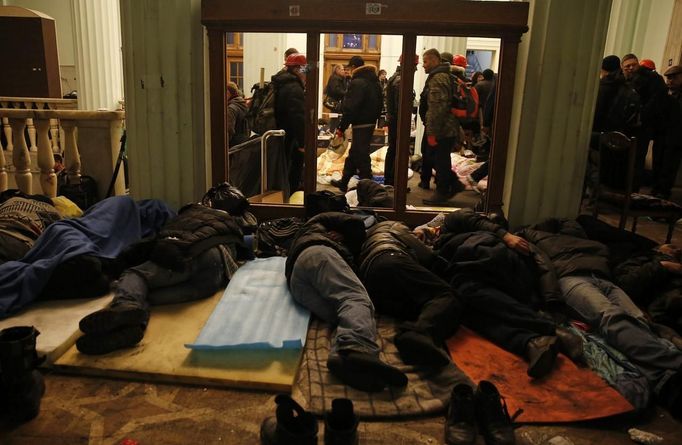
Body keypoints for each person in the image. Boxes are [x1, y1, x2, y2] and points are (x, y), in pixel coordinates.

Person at [516, 217, 682, 418]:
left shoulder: (592, 242)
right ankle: (674, 362)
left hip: (604, 279)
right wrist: (552, 299)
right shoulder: (537, 238)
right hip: (571, 279)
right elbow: (541, 263)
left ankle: (662, 381)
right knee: (610, 317)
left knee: (639, 322)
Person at [422, 209, 583, 378]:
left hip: (497, 265)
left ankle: (551, 329)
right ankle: (531, 343)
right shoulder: (439, 251)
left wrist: (552, 301)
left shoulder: (455, 223)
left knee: (463, 288)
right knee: (467, 312)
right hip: (488, 284)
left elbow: (543, 263)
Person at [76, 202, 248, 355]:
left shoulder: (190, 217)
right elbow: (248, 248)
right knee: (141, 295)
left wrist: (115, 267)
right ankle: (131, 330)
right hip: (211, 281)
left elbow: (145, 246)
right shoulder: (233, 228)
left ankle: (125, 305)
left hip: (193, 255)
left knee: (135, 276)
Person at [285, 211, 408, 392]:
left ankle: (343, 359)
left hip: (298, 282)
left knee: (347, 314)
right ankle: (356, 349)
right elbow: (354, 224)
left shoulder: (307, 230)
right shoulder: (325, 223)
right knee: (356, 299)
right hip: (318, 255)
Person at [358, 219, 463, 367]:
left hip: (370, 281)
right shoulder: (394, 225)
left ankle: (416, 337)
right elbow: (428, 256)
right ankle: (418, 333)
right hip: (391, 259)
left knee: (425, 305)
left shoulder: (368, 236)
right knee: (447, 296)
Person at [330, 56, 383, 193]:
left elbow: (350, 107)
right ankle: (344, 181)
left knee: (361, 155)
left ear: (354, 67)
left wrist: (342, 127)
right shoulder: (374, 81)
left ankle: (370, 187)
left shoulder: (358, 82)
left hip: (360, 123)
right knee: (355, 153)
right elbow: (380, 104)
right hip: (370, 122)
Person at [419, 48, 463, 205]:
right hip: (446, 127)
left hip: (442, 129)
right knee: (439, 159)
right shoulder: (445, 76)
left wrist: (431, 133)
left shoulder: (438, 78)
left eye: (425, 61)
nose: (423, 65)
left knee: (439, 160)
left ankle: (442, 192)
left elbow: (437, 108)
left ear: (434, 60)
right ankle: (454, 184)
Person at [621, 53, 668, 191]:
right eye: (627, 66)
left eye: (633, 65)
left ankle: (632, 189)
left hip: (643, 125)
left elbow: (656, 101)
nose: (630, 68)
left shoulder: (652, 78)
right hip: (628, 125)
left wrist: (642, 115)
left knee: (637, 158)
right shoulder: (626, 81)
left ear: (638, 64)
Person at [272, 53, 307, 193]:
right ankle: (290, 197)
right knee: (293, 168)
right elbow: (297, 116)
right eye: (304, 70)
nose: (306, 74)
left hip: (280, 134)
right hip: (290, 137)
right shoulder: (294, 88)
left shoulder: (281, 83)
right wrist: (303, 143)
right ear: (297, 69)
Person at [384, 54, 418, 186]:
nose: (416, 69)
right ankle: (393, 180)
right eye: (415, 66)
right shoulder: (401, 80)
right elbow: (401, 106)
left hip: (395, 120)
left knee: (393, 149)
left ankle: (391, 179)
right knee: (397, 150)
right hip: (398, 121)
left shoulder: (397, 78)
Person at [652, 64, 682, 199]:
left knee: (668, 166)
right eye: (668, 78)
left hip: (676, 138)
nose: (670, 81)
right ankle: (656, 189)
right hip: (662, 135)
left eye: (674, 78)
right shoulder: (665, 94)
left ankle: (663, 192)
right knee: (657, 163)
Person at [226, 81, 249, 147]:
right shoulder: (242, 104)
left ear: (228, 93)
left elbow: (229, 130)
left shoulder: (231, 108)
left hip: (233, 146)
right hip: (243, 143)